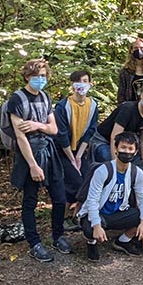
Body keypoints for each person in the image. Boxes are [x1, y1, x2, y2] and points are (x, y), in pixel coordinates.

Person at [6, 59, 70, 262]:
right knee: (30, 200)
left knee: (59, 197)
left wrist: (37, 124)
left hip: (49, 151)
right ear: (27, 77)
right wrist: (33, 165)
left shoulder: (45, 96)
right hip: (29, 155)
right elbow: (20, 136)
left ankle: (58, 236)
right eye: (36, 76)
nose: (40, 79)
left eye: (43, 76)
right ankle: (34, 243)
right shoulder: (17, 100)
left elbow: (54, 129)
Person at [78, 132, 143, 261]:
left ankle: (123, 241)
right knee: (89, 228)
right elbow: (92, 200)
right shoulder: (103, 170)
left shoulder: (136, 172)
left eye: (130, 149)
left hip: (119, 213)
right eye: (123, 147)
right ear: (116, 149)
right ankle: (91, 243)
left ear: (135, 152)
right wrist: (96, 226)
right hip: (100, 214)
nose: (127, 152)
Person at [53, 70, 99, 212]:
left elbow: (91, 130)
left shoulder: (92, 105)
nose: (82, 85)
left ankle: (77, 212)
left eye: (85, 81)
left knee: (88, 180)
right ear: (72, 85)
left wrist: (78, 156)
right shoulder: (63, 106)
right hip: (63, 150)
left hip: (80, 149)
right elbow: (61, 135)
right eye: (78, 81)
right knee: (75, 181)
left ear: (90, 84)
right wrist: (72, 159)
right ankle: (64, 213)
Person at [90, 81, 143, 164]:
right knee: (106, 156)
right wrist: (115, 164)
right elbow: (114, 136)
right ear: (142, 95)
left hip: (125, 145)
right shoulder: (127, 109)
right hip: (104, 141)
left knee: (137, 164)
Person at [117, 38, 143, 105]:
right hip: (131, 108)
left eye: (142, 47)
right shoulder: (125, 71)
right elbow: (121, 94)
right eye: (136, 48)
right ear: (131, 50)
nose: (139, 50)